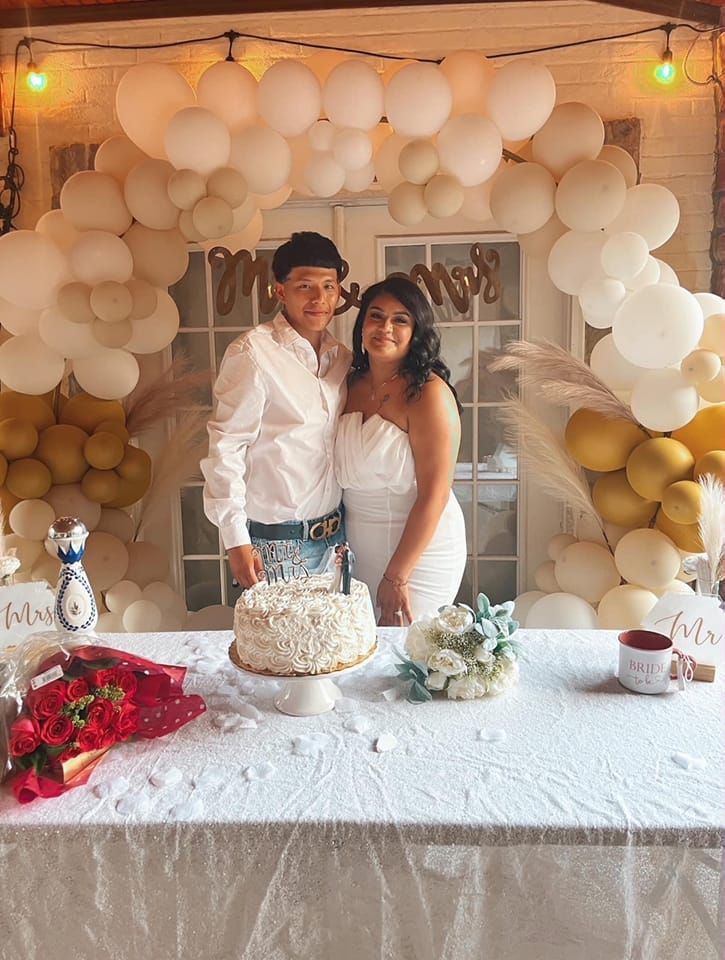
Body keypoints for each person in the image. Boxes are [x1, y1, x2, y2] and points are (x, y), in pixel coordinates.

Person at [201, 232, 351, 588]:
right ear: (280, 291)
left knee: (333, 644)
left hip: (337, 539)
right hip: (276, 543)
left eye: (329, 286)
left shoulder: (342, 358)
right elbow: (225, 449)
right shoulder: (253, 353)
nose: (319, 298)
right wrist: (236, 539)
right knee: (279, 645)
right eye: (305, 286)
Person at [334, 275, 467, 625]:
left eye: (400, 319)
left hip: (420, 554)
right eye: (375, 316)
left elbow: (434, 496)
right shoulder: (345, 385)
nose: (385, 327)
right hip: (359, 550)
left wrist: (397, 575)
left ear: (415, 332)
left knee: (410, 649)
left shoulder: (429, 394)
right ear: (362, 326)